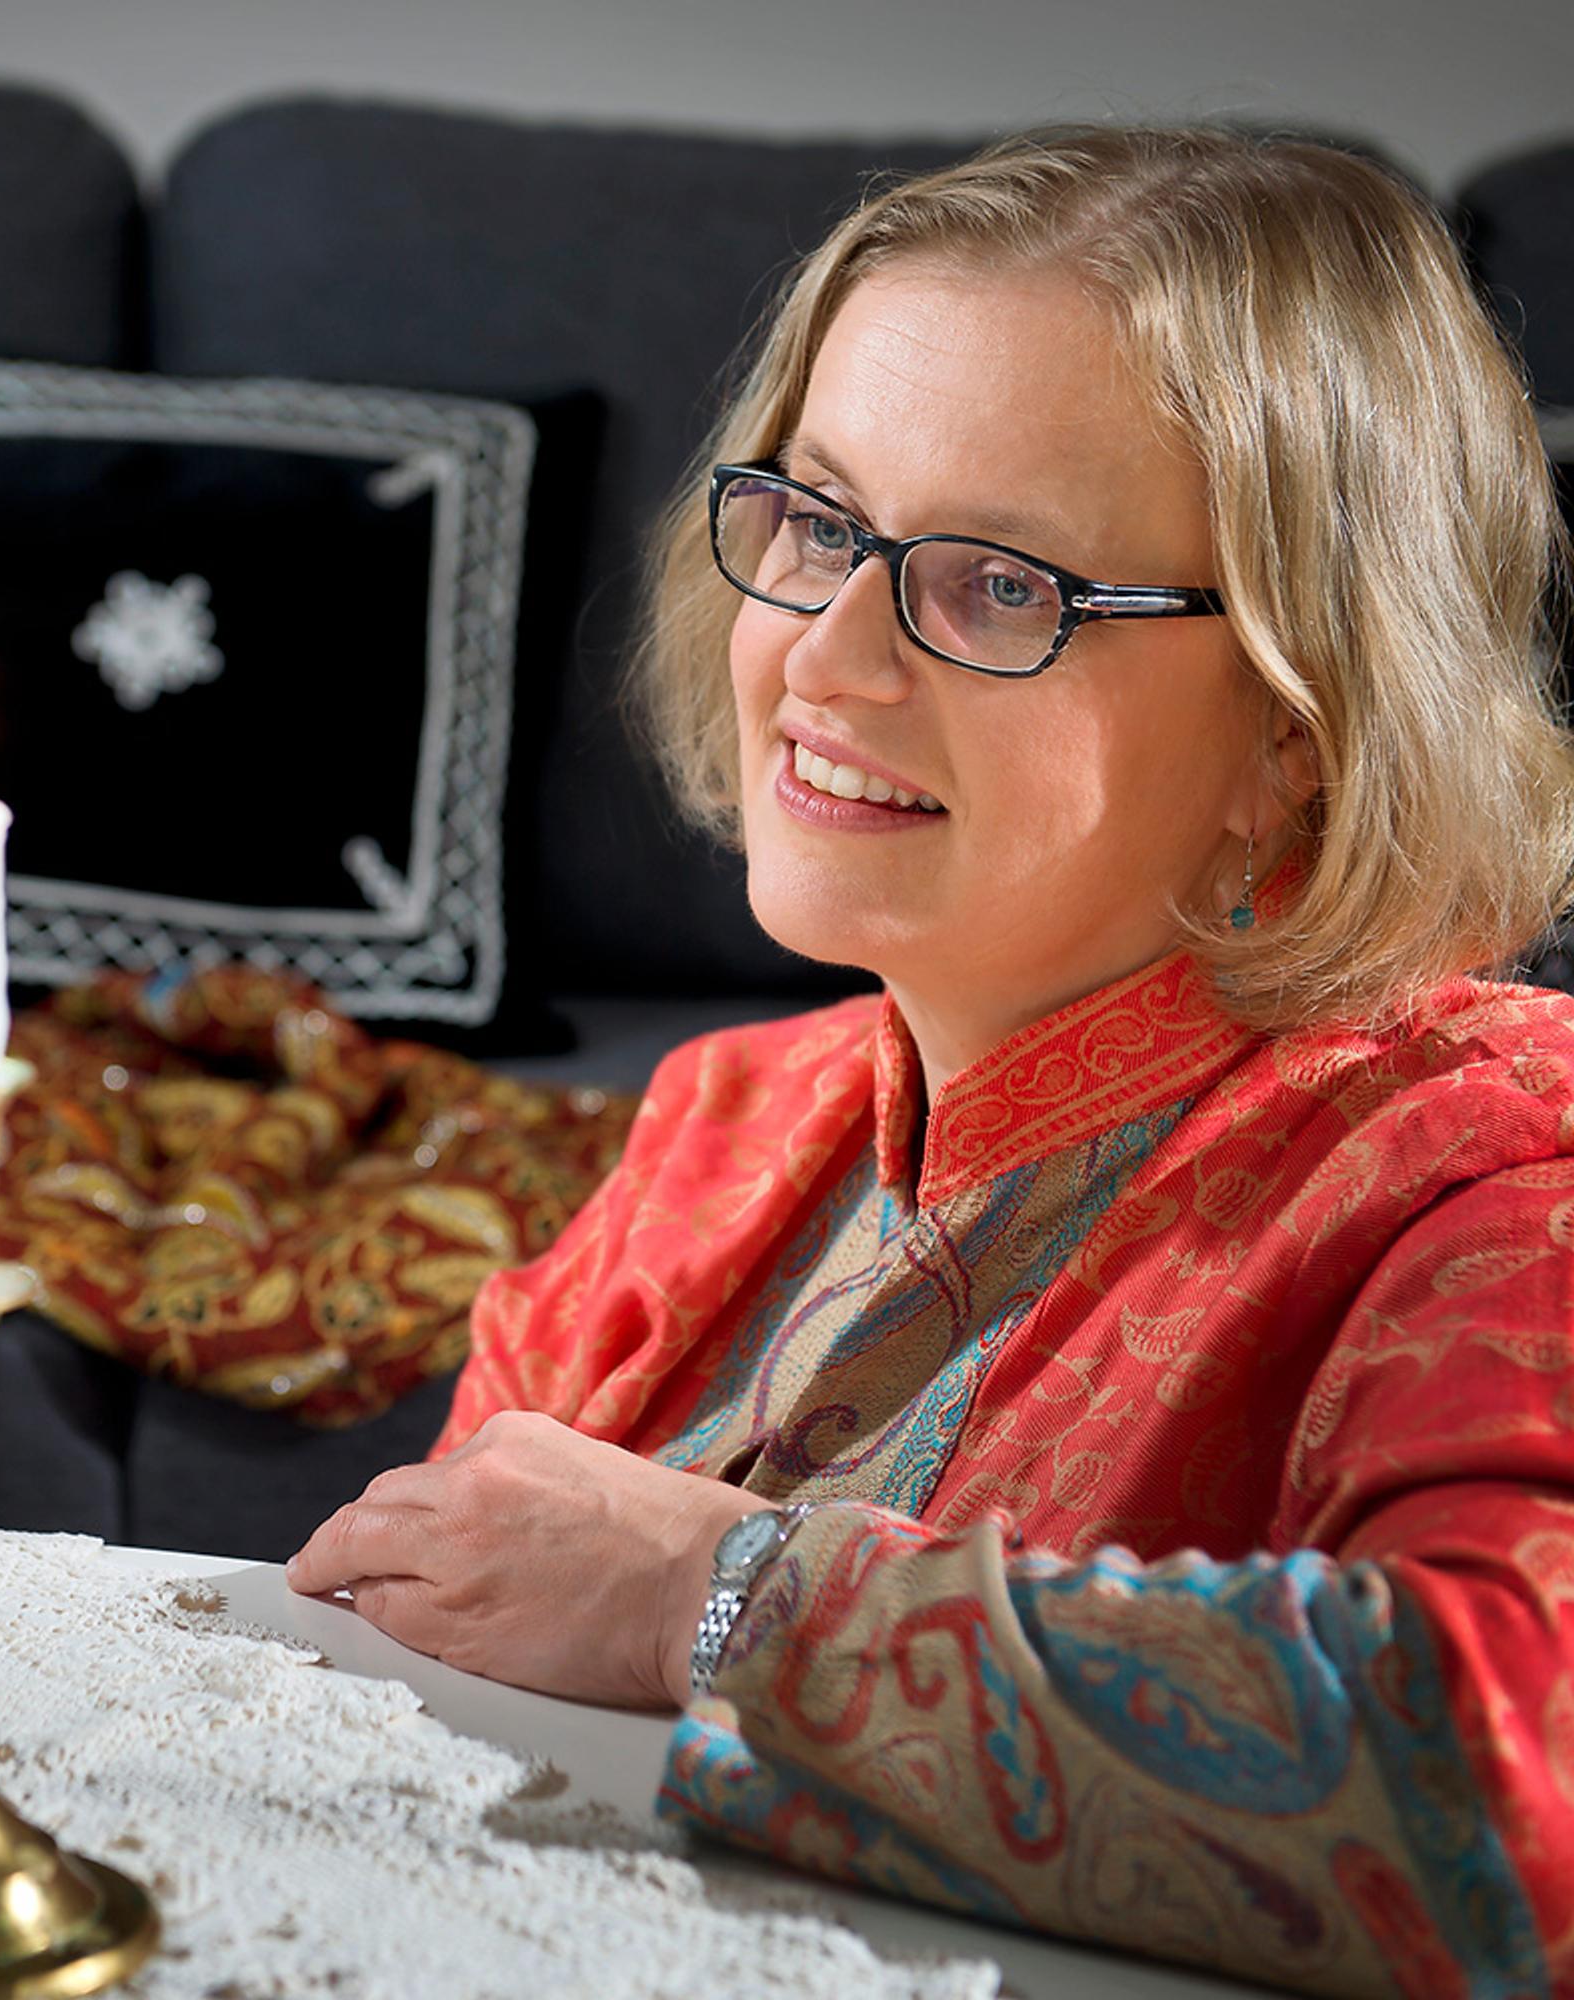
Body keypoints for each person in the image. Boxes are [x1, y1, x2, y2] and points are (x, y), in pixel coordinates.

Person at [287, 126, 1574, 1996]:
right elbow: (415, 1681)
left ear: (1299, 727)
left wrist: (703, 1599)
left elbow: (1515, 1798)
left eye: (999, 585)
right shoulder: (728, 1123)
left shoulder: (1499, 1175)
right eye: (820, 524)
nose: (826, 657)